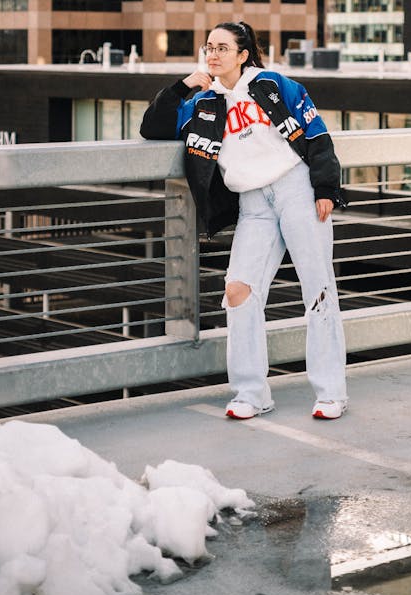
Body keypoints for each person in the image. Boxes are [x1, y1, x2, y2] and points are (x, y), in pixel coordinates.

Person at [140, 21, 348, 421]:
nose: (212, 54)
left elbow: (316, 132)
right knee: (238, 292)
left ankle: (331, 392)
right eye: (208, 47)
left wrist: (325, 188)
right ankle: (252, 393)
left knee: (318, 289)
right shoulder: (203, 103)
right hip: (253, 204)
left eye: (221, 48)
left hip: (297, 190)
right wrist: (185, 85)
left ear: (243, 54)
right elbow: (152, 127)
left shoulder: (272, 85)